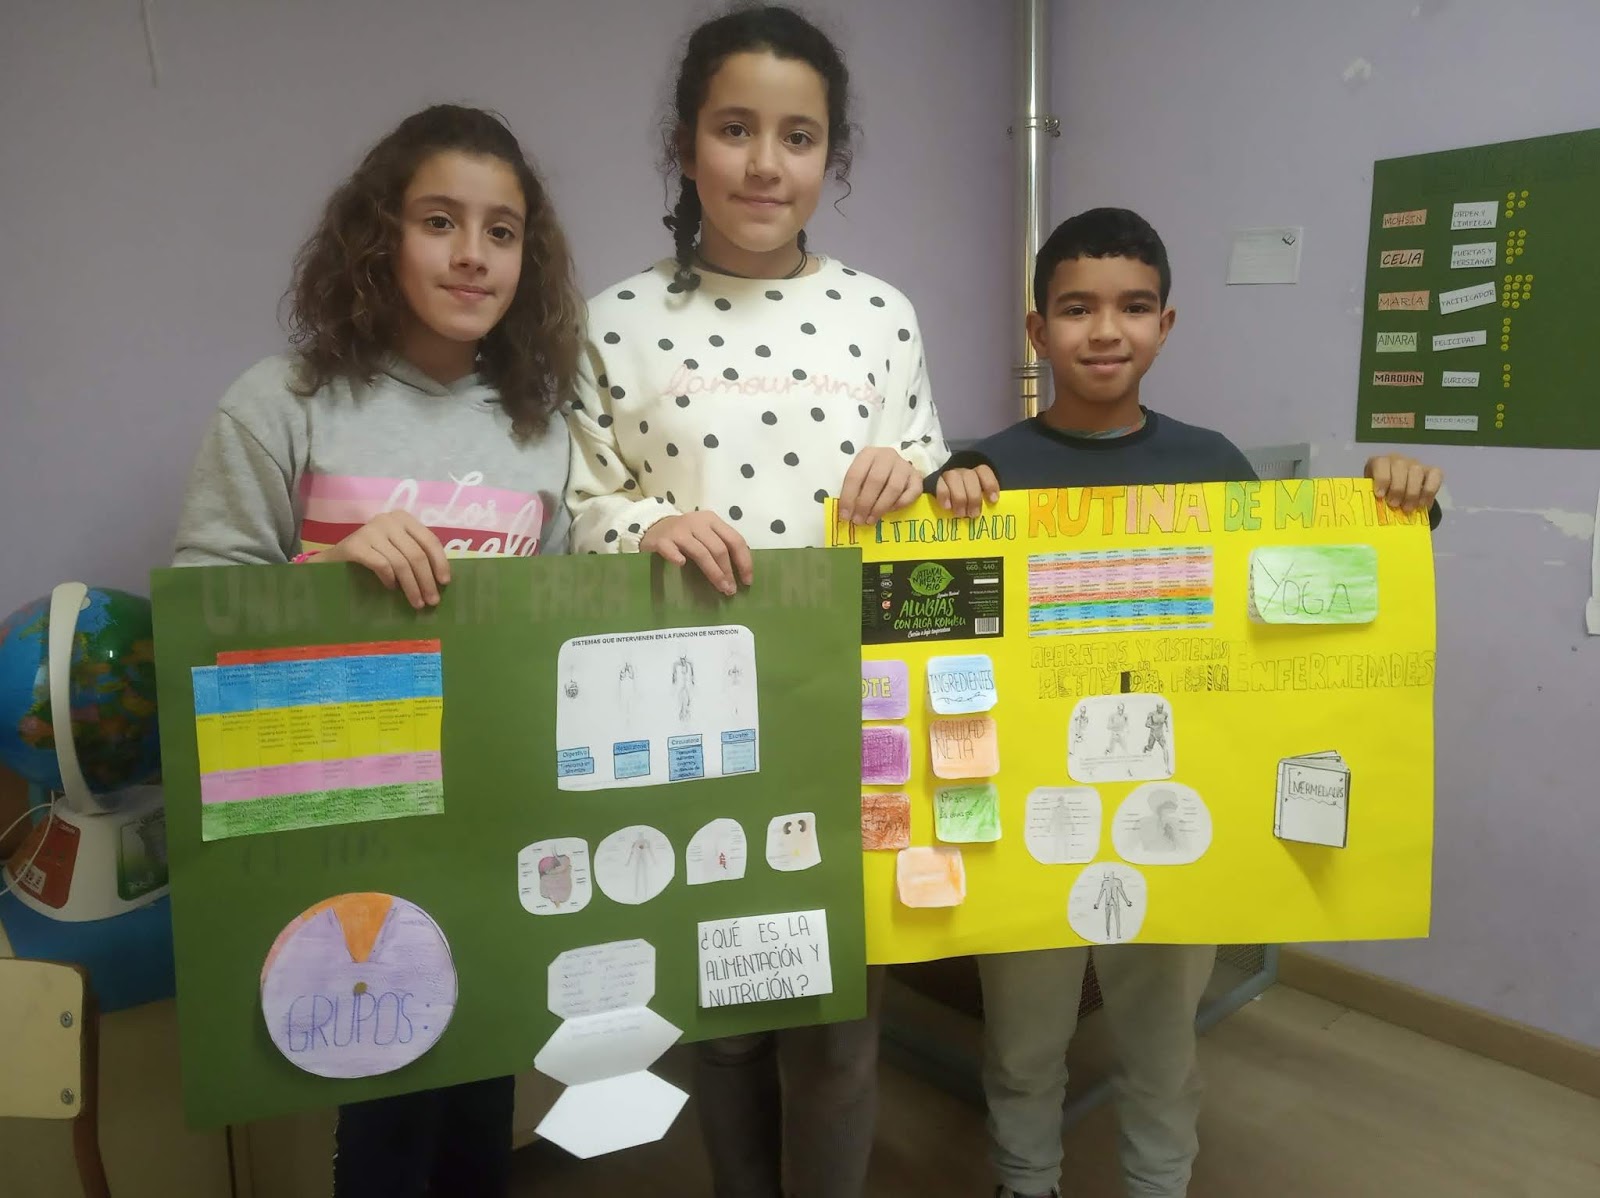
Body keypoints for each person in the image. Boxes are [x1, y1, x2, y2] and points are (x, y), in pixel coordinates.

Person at [932, 207, 1444, 1198]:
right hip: (1030, 813)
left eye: (1132, 307)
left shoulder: (1212, 466)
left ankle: (1159, 1182)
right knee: (1023, 1040)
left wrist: (1394, 504)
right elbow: (921, 623)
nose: (1105, 330)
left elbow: (1287, 605)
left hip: (1176, 807)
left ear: (1165, 325)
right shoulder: (980, 474)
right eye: (1075, 309)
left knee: (1162, 1042)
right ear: (1037, 330)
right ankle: (1023, 1179)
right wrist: (933, 499)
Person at [564, 8, 951, 1194]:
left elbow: (935, 500)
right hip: (688, 721)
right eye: (735, 129)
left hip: (850, 718)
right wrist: (646, 524)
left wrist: (911, 485)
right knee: (721, 1020)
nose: (765, 164)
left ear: (830, 155)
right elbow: (577, 505)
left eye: (798, 136)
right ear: (685, 145)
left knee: (836, 1026)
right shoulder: (614, 322)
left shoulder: (881, 315)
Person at [173, 104, 582, 1198]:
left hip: (489, 823)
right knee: (384, 1105)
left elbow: (558, 629)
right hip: (335, 818)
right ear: (378, 237)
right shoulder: (282, 403)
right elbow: (202, 607)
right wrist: (327, 570)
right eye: (439, 221)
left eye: (502, 231)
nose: (471, 254)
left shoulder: (542, 430)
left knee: (479, 1088)